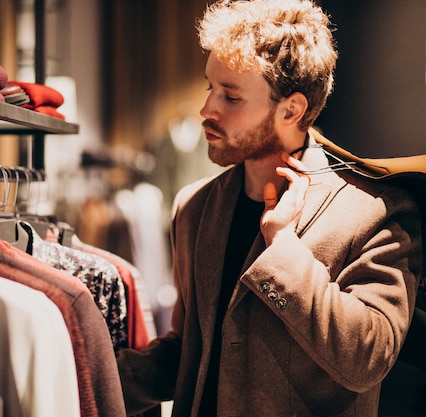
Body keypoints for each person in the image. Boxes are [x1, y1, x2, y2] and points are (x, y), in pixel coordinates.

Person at [115, 0, 423, 416]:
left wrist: (283, 249)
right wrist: (85, 372)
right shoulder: (195, 207)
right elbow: (192, 354)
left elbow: (368, 357)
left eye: (231, 96)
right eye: (211, 87)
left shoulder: (375, 212)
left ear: (291, 109)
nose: (208, 109)